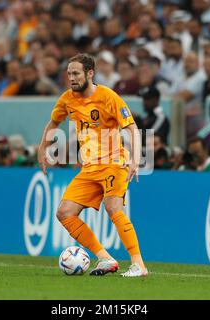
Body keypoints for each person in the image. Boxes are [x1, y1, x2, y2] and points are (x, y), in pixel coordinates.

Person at [37, 53, 147, 277]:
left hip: (114, 162)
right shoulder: (67, 99)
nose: (71, 78)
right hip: (89, 167)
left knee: (113, 207)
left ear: (90, 73)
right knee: (65, 212)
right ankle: (105, 258)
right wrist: (42, 148)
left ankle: (138, 264)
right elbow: (54, 121)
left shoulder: (108, 97)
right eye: (69, 74)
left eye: (76, 73)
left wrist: (135, 159)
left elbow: (131, 127)